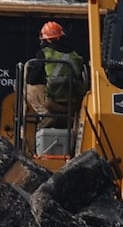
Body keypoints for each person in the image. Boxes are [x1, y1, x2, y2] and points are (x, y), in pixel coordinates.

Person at [24, 20, 88, 154]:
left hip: (53, 104)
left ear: (46, 40)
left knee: (29, 88)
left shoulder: (45, 54)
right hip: (75, 105)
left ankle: (46, 116)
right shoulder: (76, 56)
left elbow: (33, 79)